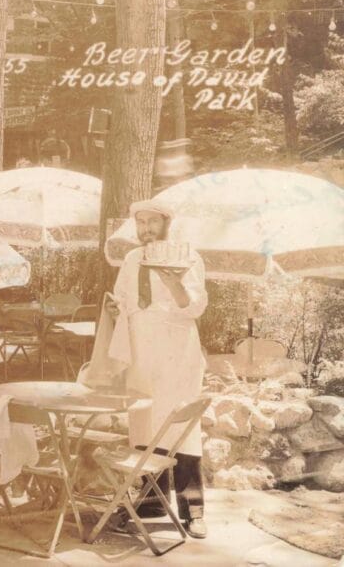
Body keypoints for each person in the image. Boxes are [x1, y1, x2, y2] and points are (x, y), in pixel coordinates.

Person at [101, 199, 209, 539]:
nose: (145, 229)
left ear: (167, 224)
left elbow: (195, 307)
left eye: (152, 222)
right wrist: (114, 308)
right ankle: (151, 503)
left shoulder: (188, 257)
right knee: (145, 429)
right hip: (142, 356)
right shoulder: (131, 259)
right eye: (141, 222)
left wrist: (173, 280)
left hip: (178, 356)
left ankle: (193, 511)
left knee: (183, 431)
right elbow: (123, 300)